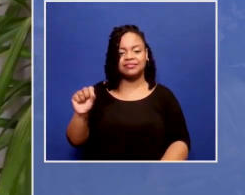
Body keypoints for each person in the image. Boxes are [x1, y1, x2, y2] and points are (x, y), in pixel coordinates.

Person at [66, 24, 190, 161]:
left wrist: (159, 175)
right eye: (121, 53)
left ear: (146, 54)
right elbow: (75, 141)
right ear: (113, 58)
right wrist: (81, 115)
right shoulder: (96, 94)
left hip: (150, 181)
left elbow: (180, 141)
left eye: (136, 51)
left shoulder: (164, 96)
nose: (129, 56)